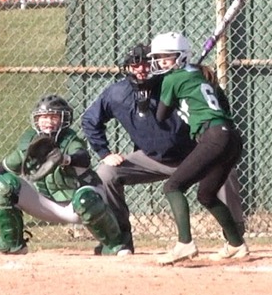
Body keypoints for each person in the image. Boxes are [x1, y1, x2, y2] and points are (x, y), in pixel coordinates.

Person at [81, 43, 245, 256]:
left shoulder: (176, 81)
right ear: (128, 68)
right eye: (135, 65)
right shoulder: (117, 93)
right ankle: (120, 241)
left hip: (192, 154)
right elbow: (90, 120)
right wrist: (104, 153)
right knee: (106, 173)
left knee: (224, 171)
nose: (141, 70)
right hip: (151, 158)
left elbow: (217, 103)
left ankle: (234, 237)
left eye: (147, 64)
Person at [0, 94, 131, 256]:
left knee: (86, 200)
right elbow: (3, 167)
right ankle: (12, 243)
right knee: (3, 185)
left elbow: (83, 158)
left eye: (53, 117)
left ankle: (115, 244)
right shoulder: (31, 142)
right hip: (47, 203)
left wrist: (64, 159)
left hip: (77, 204)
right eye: (43, 117)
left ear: (64, 120)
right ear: (36, 120)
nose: (48, 122)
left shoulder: (69, 139)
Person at [149, 32, 248, 265]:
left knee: (173, 186)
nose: (162, 61)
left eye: (167, 57)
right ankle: (236, 244)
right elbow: (223, 105)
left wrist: (169, 93)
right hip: (231, 137)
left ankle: (185, 244)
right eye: (159, 57)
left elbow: (161, 116)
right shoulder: (203, 77)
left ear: (181, 57)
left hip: (213, 137)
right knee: (206, 194)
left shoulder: (172, 80)